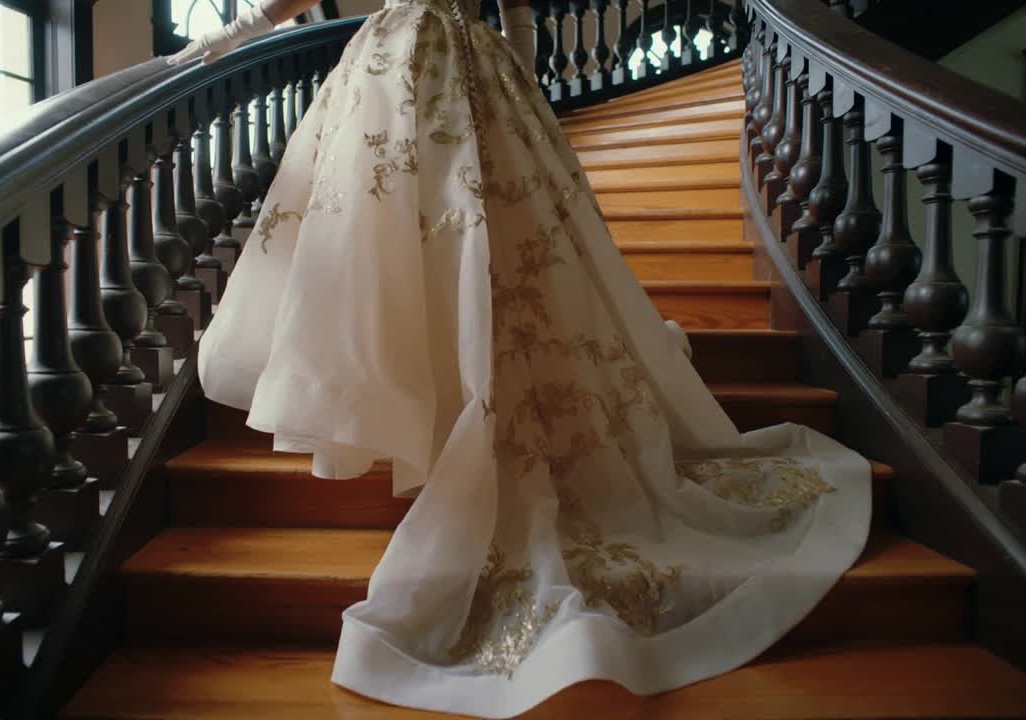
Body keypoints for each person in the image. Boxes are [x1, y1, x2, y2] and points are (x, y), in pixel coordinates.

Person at [172, 1, 871, 717]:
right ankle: (443, 418)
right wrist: (521, 74)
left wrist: (235, 33)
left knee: (476, 254)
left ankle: (462, 425)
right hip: (443, 71)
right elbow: (520, 11)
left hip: (412, 64)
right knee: (419, 252)